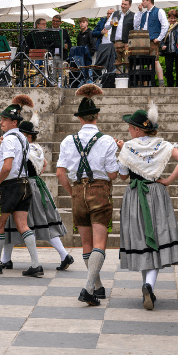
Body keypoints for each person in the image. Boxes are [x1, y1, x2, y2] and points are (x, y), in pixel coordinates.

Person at [115, 103, 178, 310]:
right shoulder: (162, 145)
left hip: (135, 196)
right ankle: (148, 285)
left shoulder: (128, 147)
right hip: (156, 193)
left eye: (130, 126)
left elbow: (122, 175)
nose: (129, 129)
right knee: (157, 237)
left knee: (141, 240)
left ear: (137, 129)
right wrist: (168, 180)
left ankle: (147, 285)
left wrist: (123, 150)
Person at [56, 86, 120, 305]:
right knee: (99, 243)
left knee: (86, 243)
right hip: (100, 191)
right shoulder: (107, 141)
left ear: (80, 118)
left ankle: (97, 286)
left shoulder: (67, 141)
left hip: (77, 192)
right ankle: (87, 288)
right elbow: (113, 174)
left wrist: (73, 191)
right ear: (97, 116)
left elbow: (59, 173)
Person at [0, 95, 44, 277]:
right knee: (23, 225)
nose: (1, 122)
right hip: (24, 185)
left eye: (5, 119)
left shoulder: (8, 139)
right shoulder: (22, 139)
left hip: (9, 187)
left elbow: (7, 166)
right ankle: (36, 264)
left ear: (14, 122)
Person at [0, 119, 73, 272]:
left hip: (24, 187)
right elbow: (45, 163)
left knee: (19, 221)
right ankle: (63, 254)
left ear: (27, 136)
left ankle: (6, 259)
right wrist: (38, 173)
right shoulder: (37, 148)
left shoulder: (25, 148)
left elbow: (13, 165)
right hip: (37, 185)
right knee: (42, 222)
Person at [134, 0, 170, 86]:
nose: (142, 3)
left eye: (143, 1)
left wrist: (159, 38)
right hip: (143, 41)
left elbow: (165, 25)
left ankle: (161, 82)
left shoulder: (159, 11)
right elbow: (136, 25)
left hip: (153, 40)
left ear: (149, 1)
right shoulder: (144, 13)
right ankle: (149, 82)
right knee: (145, 62)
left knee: (155, 60)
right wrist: (139, 11)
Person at [107, 0, 135, 67]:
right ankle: (118, 77)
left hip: (127, 44)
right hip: (116, 43)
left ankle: (128, 77)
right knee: (117, 64)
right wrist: (110, 23)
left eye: (125, 4)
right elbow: (106, 27)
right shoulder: (115, 14)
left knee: (128, 63)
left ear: (130, 5)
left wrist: (131, 42)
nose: (123, 6)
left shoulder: (133, 15)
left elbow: (136, 29)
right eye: (122, 4)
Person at [71, 17, 96, 82]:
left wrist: (90, 55)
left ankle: (89, 85)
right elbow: (78, 45)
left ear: (87, 23)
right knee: (81, 73)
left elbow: (93, 45)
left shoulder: (90, 32)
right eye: (80, 22)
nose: (82, 24)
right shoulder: (79, 34)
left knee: (88, 72)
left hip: (88, 56)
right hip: (80, 56)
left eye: (83, 22)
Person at [92, 9, 117, 74]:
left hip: (113, 47)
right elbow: (93, 33)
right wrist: (101, 32)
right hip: (102, 47)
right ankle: (100, 80)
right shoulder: (102, 21)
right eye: (108, 13)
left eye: (111, 14)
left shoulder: (116, 21)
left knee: (112, 66)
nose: (109, 15)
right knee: (100, 66)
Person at [161, 9, 178, 88]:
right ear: (168, 18)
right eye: (171, 18)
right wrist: (162, 45)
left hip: (177, 51)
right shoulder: (165, 27)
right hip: (168, 51)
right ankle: (170, 86)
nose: (173, 20)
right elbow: (161, 38)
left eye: (174, 18)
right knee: (169, 70)